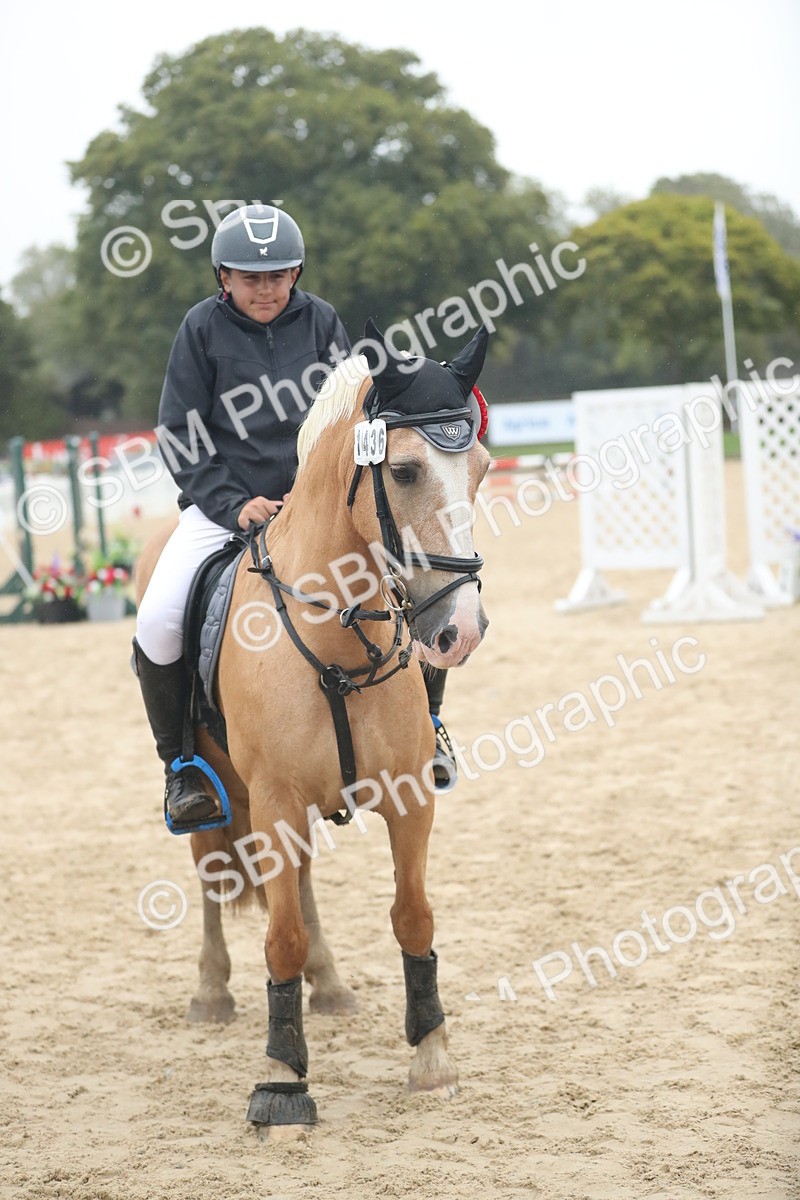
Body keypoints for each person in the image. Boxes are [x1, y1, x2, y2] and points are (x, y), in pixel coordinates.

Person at [132, 203, 458, 830]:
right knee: (159, 619)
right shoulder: (200, 329)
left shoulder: (322, 321)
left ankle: (430, 728)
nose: (266, 289)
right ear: (223, 277)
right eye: (250, 278)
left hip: (316, 510)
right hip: (223, 510)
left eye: (278, 276)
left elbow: (357, 411)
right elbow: (179, 433)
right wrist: (234, 503)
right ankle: (182, 767)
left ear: (296, 273)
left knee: (419, 584)